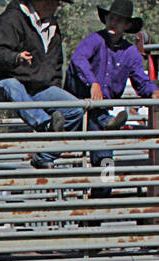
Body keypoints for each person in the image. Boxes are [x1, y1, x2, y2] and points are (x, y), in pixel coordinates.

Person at [0, 0, 86, 169]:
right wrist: (15, 58)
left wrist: (54, 86)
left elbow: (55, 65)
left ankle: (45, 155)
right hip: (4, 81)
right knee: (13, 86)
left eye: (57, 2)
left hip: (36, 86)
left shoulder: (52, 27)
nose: (54, 5)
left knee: (74, 110)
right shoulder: (11, 19)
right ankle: (46, 125)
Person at [68, 0, 159, 172]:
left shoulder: (130, 52)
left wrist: (154, 92)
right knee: (103, 146)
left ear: (127, 25)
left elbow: (141, 81)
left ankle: (103, 188)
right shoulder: (95, 40)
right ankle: (103, 187)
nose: (113, 22)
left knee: (104, 152)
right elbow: (78, 60)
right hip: (81, 104)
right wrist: (93, 82)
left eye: (119, 19)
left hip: (98, 111)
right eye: (111, 18)